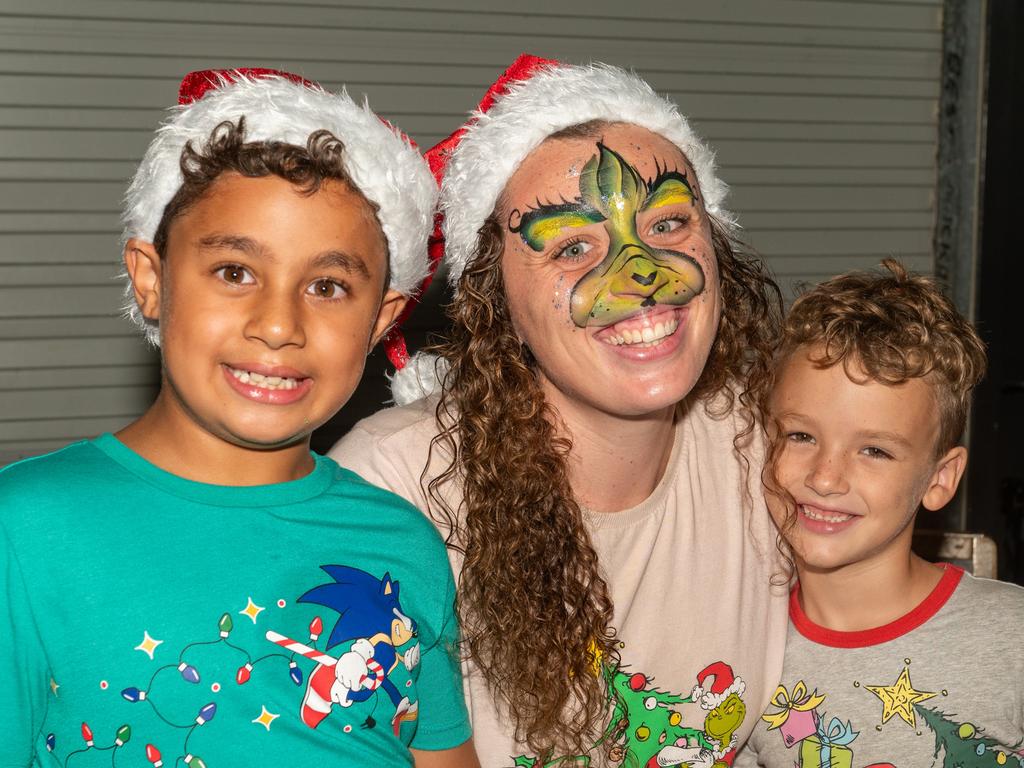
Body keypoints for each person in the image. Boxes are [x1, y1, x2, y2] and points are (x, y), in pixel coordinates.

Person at [0, 69, 477, 768]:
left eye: (327, 286)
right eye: (234, 272)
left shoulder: (400, 542)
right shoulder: (26, 530)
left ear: (383, 319)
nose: (279, 325)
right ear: (152, 279)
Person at [332, 54, 789, 767]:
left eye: (668, 223)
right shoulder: (395, 487)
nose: (641, 275)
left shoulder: (770, 449)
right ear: (497, 303)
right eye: (573, 246)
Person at [734, 260, 1024, 768]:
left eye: (875, 451)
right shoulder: (737, 647)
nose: (825, 477)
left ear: (939, 479)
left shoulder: (1012, 638)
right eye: (800, 436)